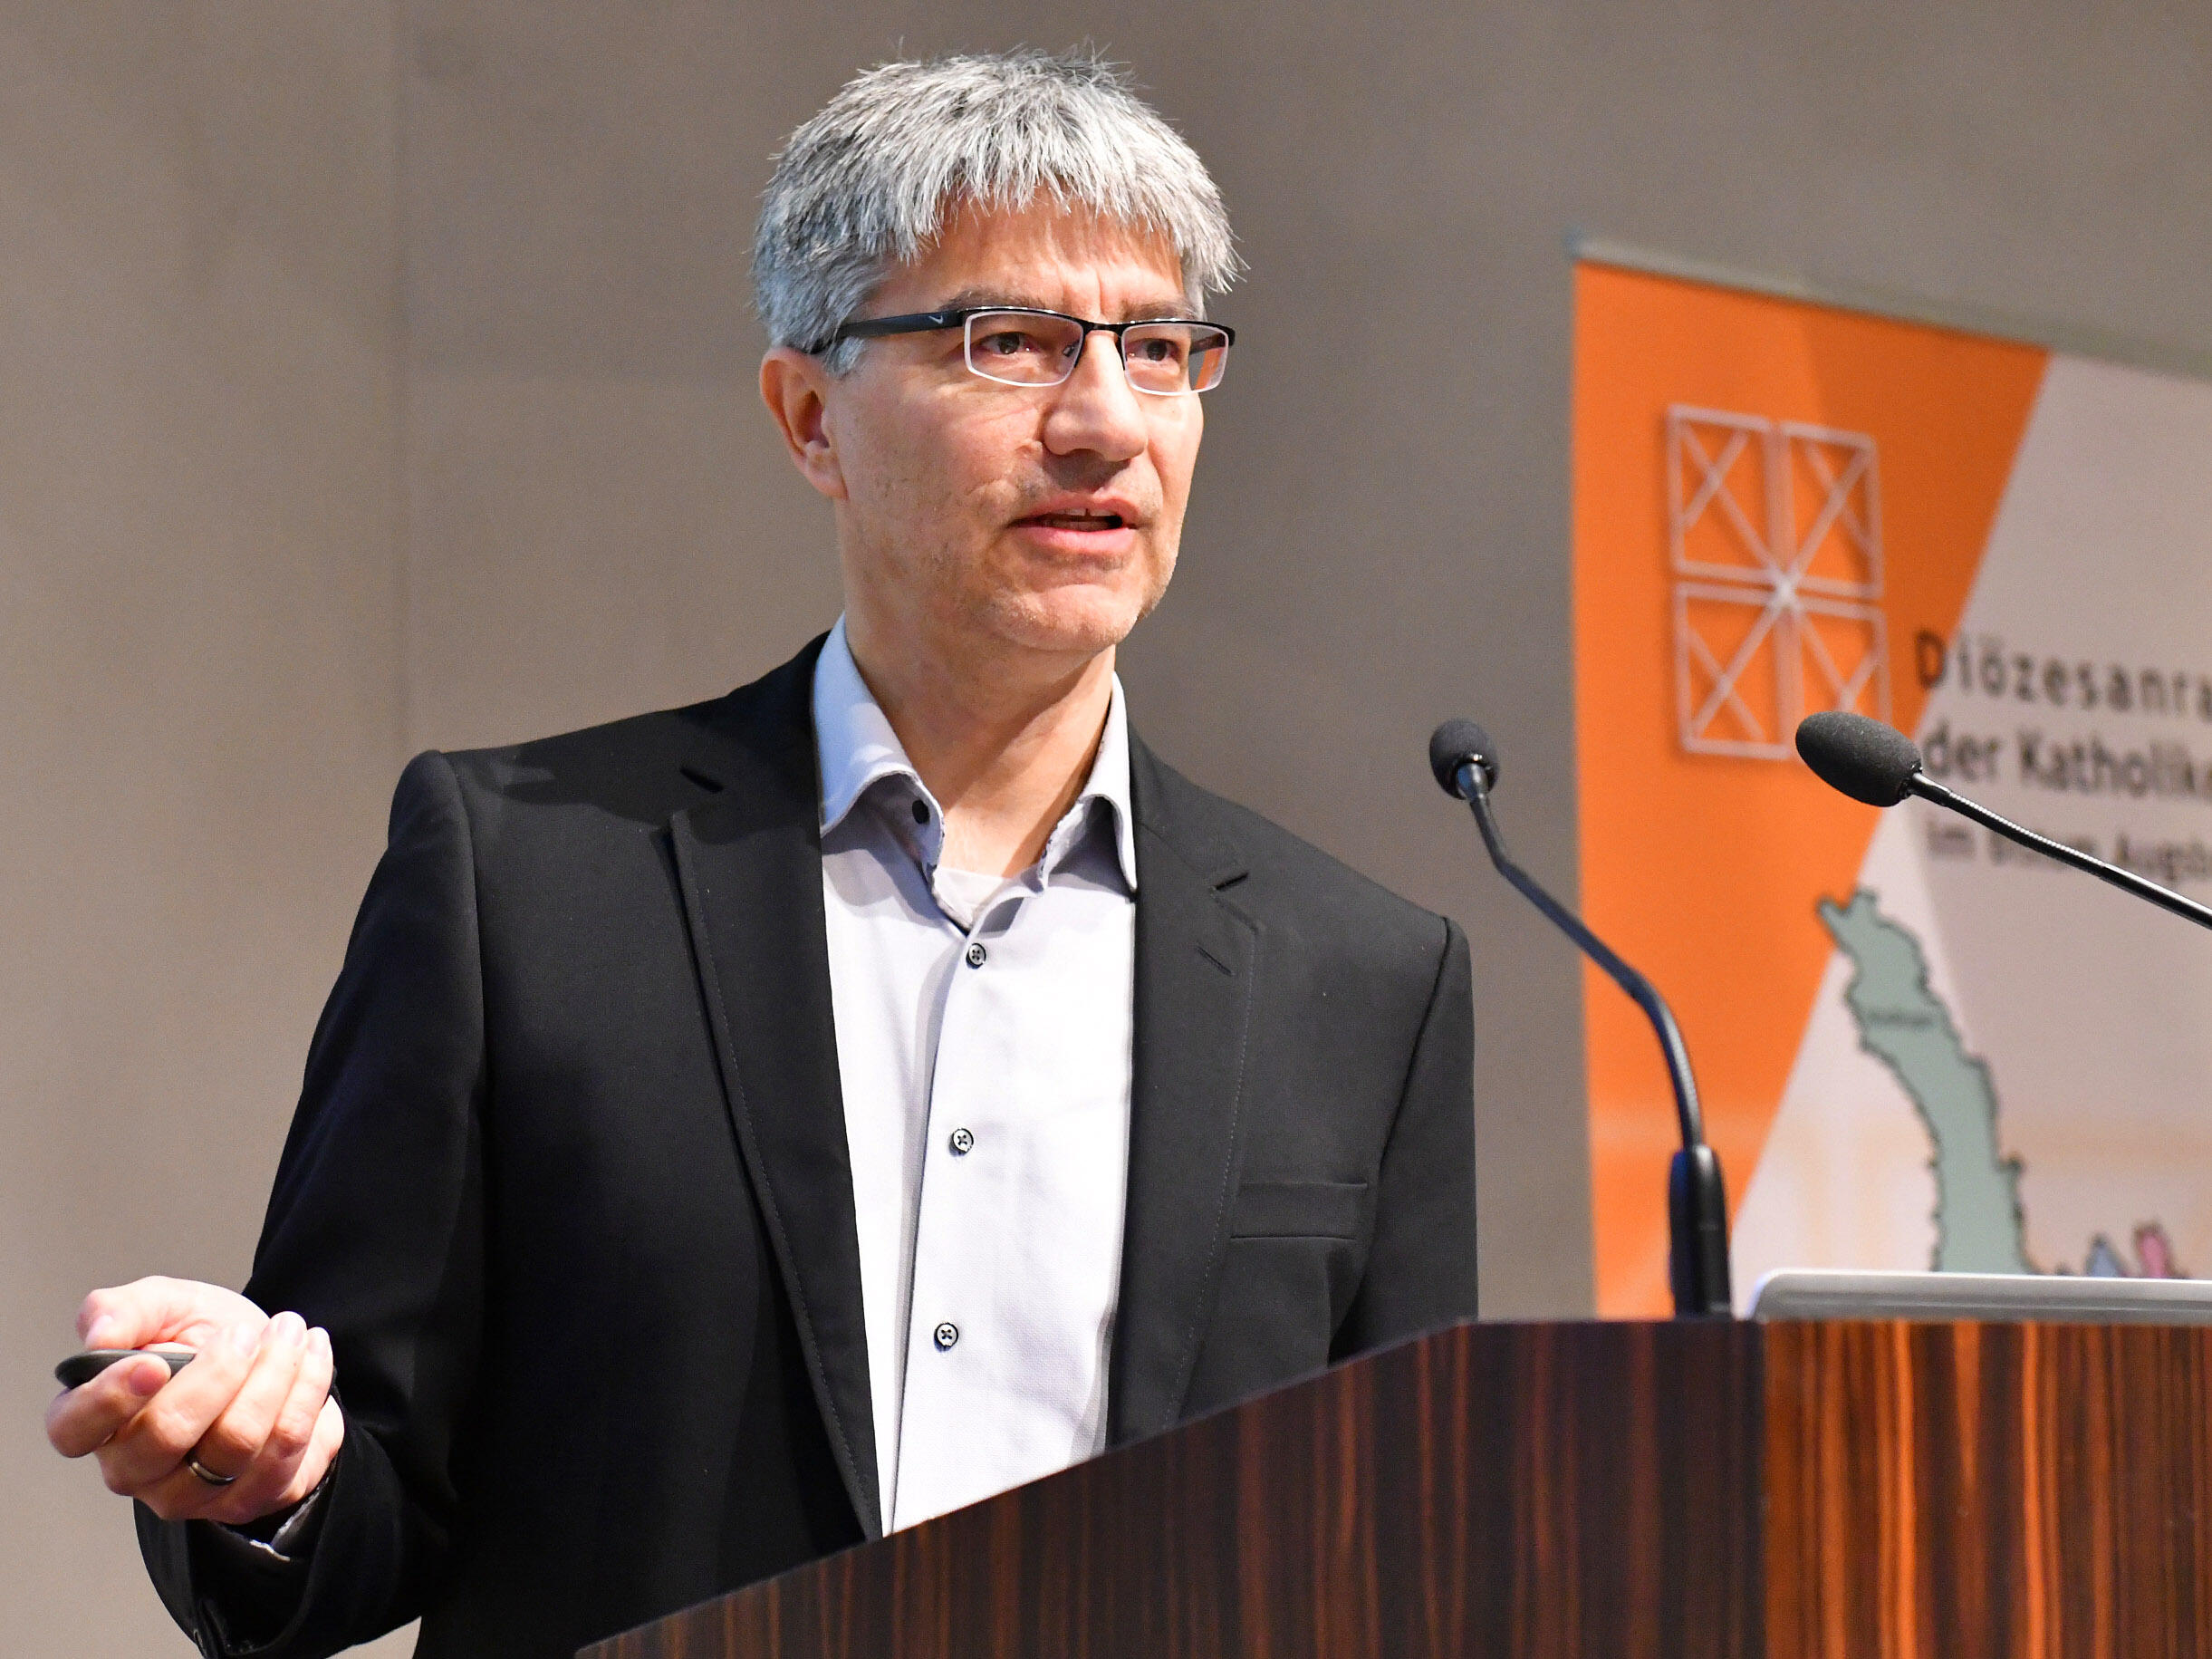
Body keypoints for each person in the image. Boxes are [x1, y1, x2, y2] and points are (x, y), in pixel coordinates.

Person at [46, 50, 1476, 1659]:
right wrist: (263, 1468)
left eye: (1159, 351)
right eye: (1007, 343)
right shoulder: (522, 878)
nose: (1103, 423)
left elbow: (1413, 1547)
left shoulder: (1361, 977)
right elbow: (364, 1487)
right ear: (810, 414)